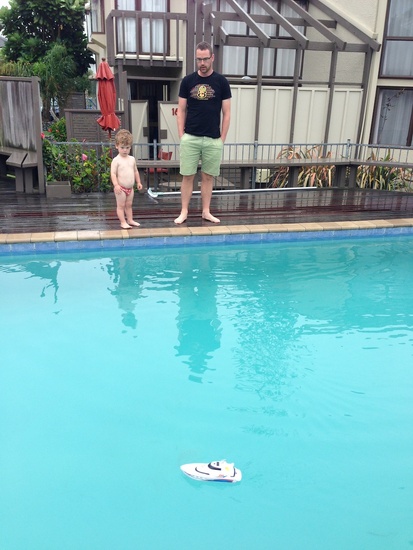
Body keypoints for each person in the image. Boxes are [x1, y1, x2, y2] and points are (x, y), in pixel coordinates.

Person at [174, 41, 231, 224]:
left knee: (207, 177)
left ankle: (206, 211)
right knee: (187, 176)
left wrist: (222, 139)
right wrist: (182, 136)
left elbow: (227, 113)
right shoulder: (187, 81)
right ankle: (184, 211)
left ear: (212, 58)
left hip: (213, 139)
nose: (202, 63)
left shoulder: (221, 82)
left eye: (205, 59)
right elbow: (181, 110)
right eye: (199, 59)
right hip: (190, 137)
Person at [111, 129, 143, 229]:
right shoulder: (116, 160)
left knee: (129, 205)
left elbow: (135, 171)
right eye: (122, 147)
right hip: (121, 188)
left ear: (130, 147)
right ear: (117, 146)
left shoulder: (132, 159)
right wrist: (116, 185)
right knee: (121, 206)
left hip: (130, 188)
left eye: (127, 147)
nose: (125, 150)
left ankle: (130, 220)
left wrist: (138, 182)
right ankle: (123, 222)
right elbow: (113, 174)